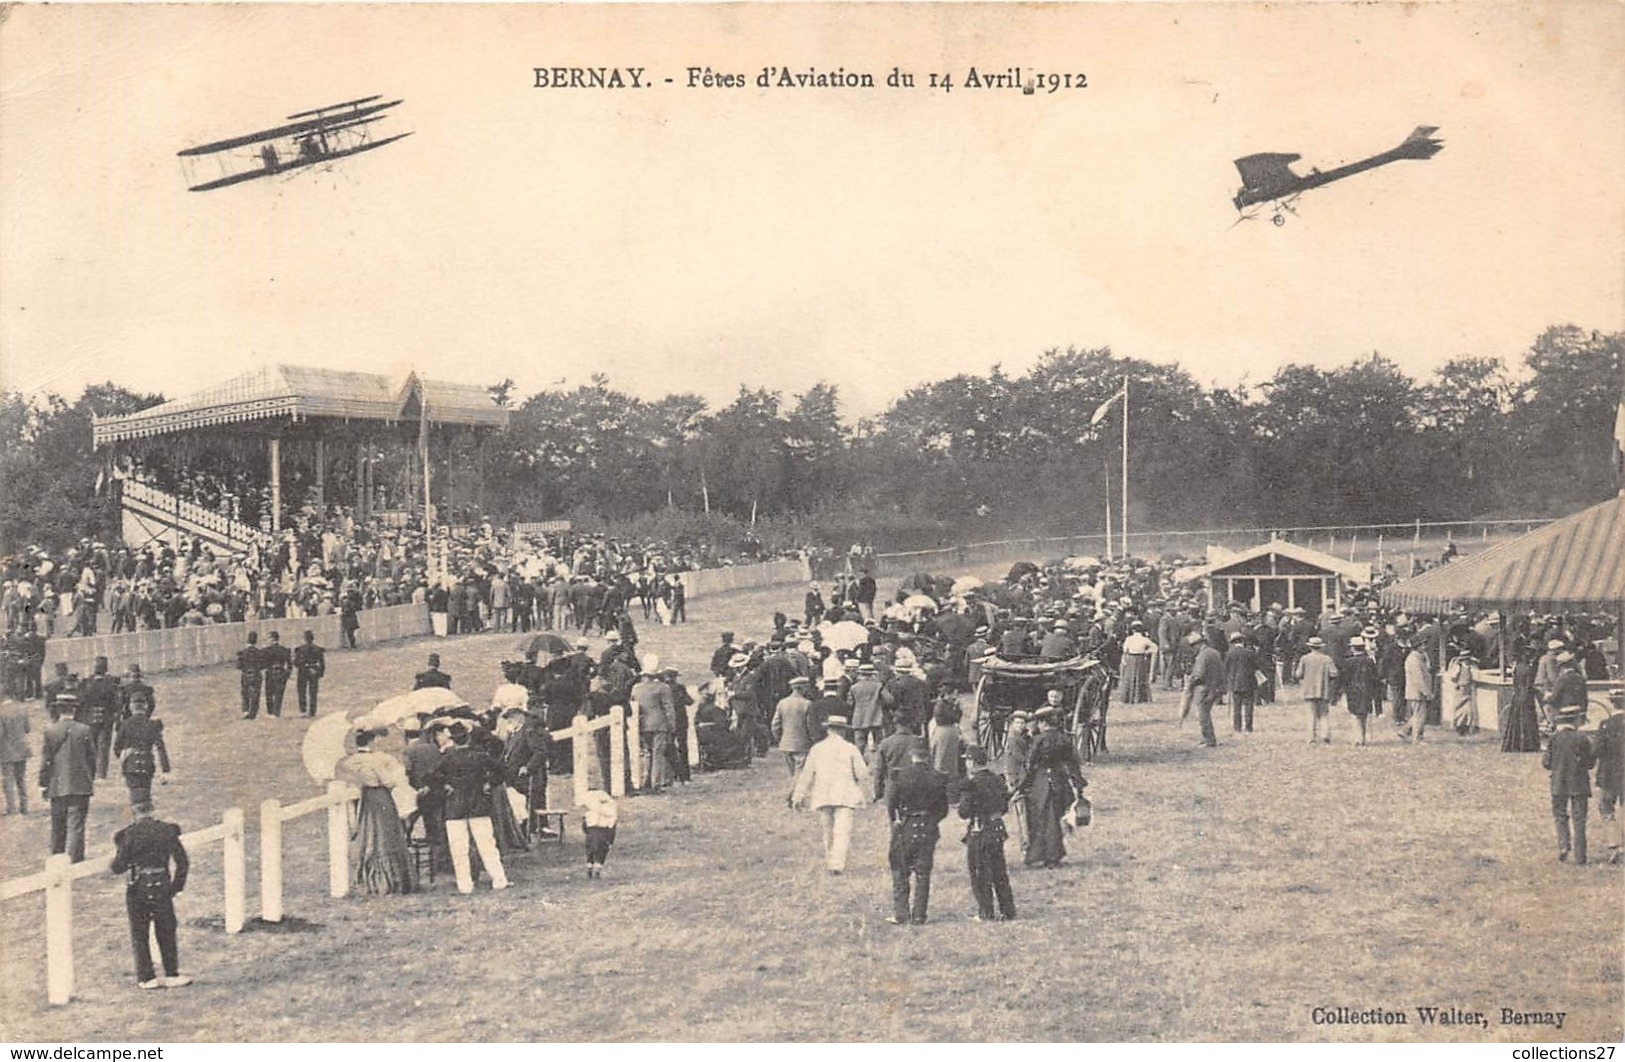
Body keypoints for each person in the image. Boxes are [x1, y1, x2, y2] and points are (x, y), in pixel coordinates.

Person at [110, 800, 192, 989]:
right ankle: (171, 974)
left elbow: (117, 867)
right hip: (162, 883)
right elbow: (182, 862)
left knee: (140, 932)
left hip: (138, 886)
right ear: (153, 810)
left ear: (133, 812)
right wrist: (176, 887)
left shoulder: (127, 834)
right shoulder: (167, 831)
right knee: (166, 929)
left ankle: (146, 977)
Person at [429, 721, 510, 894]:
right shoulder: (480, 756)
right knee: (487, 845)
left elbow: (429, 777)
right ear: (468, 737)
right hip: (478, 805)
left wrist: (444, 788)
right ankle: (499, 879)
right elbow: (503, 769)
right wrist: (490, 783)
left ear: (453, 740)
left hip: (455, 807)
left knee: (459, 849)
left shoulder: (447, 759)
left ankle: (464, 884)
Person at [335, 729, 416, 895]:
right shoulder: (375, 760)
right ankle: (389, 880)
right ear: (371, 742)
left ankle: (368, 878)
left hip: (364, 799)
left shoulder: (348, 762)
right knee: (386, 835)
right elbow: (388, 781)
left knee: (369, 835)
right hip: (380, 798)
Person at [791, 714, 871, 875]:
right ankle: (837, 864)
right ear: (843, 731)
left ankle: (831, 861)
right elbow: (862, 774)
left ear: (828, 730)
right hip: (845, 793)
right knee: (842, 830)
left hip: (823, 794)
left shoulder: (817, 749)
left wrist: (798, 796)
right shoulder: (850, 748)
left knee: (827, 830)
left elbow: (807, 774)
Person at [1015, 706, 1087, 869]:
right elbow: (1073, 764)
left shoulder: (1038, 740)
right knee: (1055, 818)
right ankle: (1054, 854)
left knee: (1041, 820)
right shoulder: (1065, 739)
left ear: (1043, 723)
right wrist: (1078, 785)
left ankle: (1041, 855)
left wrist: (1020, 786)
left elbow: (1029, 765)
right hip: (1060, 782)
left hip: (1041, 784)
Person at [886, 747, 949, 925]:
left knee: (900, 870)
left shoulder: (900, 776)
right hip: (928, 827)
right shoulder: (937, 777)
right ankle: (919, 914)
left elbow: (891, 803)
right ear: (927, 757)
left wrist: (895, 820)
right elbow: (943, 809)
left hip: (906, 825)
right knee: (923, 873)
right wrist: (932, 820)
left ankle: (901, 914)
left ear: (911, 756)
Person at [958, 744, 1016, 922]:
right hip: (997, 828)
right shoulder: (997, 779)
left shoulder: (972, 783)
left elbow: (964, 812)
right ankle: (1008, 910)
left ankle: (986, 912)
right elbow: (1004, 805)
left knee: (980, 872)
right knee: (1000, 872)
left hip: (979, 829)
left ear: (972, 762)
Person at [39, 697, 96, 862]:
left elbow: (46, 760)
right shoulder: (85, 730)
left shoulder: (50, 730)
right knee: (77, 825)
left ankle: (57, 860)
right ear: (74, 710)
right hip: (80, 785)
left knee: (58, 825)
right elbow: (92, 758)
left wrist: (43, 784)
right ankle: (76, 861)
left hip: (57, 784)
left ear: (58, 710)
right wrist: (88, 778)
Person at [1543, 701, 1595, 864]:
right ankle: (1580, 856)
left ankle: (1564, 845)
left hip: (1558, 783)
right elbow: (1590, 763)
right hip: (1579, 784)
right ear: (1576, 721)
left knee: (1560, 815)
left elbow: (1546, 763)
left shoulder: (1554, 739)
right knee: (1579, 820)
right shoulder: (1583, 738)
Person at [113, 697, 170, 807]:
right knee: (146, 793)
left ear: (131, 707)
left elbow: (117, 747)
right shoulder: (153, 724)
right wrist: (165, 770)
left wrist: (123, 757)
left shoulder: (125, 724)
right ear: (146, 707)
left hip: (131, 765)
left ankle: (138, 818)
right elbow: (161, 748)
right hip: (147, 763)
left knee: (134, 795)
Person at [770, 674, 816, 804]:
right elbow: (810, 726)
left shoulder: (782, 703)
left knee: (794, 773)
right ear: (802, 688)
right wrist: (813, 741)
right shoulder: (807, 704)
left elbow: (775, 725)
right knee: (800, 773)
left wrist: (780, 738)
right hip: (802, 744)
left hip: (786, 744)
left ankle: (794, 797)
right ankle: (791, 796)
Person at [633, 666, 675, 792]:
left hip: (642, 723)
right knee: (658, 753)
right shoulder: (663, 688)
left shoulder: (636, 688)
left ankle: (644, 780)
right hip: (659, 723)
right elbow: (669, 708)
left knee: (646, 753)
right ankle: (655, 782)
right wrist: (672, 725)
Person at [1593, 696, 1624, 865]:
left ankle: (1615, 842)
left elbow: (1596, 751)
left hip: (1609, 774)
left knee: (1606, 807)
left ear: (1613, 704)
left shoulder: (1605, 725)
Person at [79, 656, 120, 779]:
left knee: (92, 746)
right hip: (106, 717)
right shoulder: (111, 683)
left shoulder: (87, 682)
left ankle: (91, 772)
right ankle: (102, 773)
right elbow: (116, 702)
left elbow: (82, 700)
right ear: (106, 669)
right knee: (104, 746)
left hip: (90, 717)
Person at [1184, 632, 1224, 748]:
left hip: (1204, 688)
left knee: (1203, 715)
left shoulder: (1203, 655)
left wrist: (1190, 683)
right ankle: (1207, 738)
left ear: (1198, 644)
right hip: (1215, 687)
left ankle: (1209, 740)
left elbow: (1199, 674)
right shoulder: (1214, 652)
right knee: (1205, 713)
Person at [1002, 709, 1032, 856]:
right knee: (1022, 813)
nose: (1020, 725)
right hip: (1017, 778)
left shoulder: (1021, 737)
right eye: (1017, 723)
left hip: (1019, 776)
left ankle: (1026, 843)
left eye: (1022, 723)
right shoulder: (1014, 739)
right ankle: (1025, 845)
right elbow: (1022, 758)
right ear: (1012, 724)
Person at [1296, 636, 1338, 744]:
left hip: (1309, 689)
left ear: (1310, 647)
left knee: (1311, 714)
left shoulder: (1304, 659)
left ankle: (1311, 737)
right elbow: (1334, 673)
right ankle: (1325, 734)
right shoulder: (1327, 659)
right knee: (1324, 713)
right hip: (1323, 689)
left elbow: (1298, 674)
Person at [1341, 636, 1380, 746]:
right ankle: (1362, 737)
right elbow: (1374, 678)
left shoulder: (1348, 662)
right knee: (1364, 715)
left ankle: (1358, 738)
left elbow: (1345, 679)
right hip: (1366, 690)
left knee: (1355, 715)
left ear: (1353, 648)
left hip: (1353, 691)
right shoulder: (1369, 661)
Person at [1224, 632, 1260, 733]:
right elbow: (1257, 666)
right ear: (1242, 641)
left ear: (1232, 642)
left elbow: (1225, 668)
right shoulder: (1250, 653)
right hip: (1249, 682)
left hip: (1235, 683)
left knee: (1237, 707)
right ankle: (1248, 727)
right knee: (1249, 706)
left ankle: (1237, 727)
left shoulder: (1229, 654)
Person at [1, 696, 30, 815]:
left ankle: (11, 809)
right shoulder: (22, 709)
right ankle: (24, 807)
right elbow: (27, 729)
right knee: (21, 779)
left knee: (8, 780)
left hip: (7, 750)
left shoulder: (0, 712)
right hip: (22, 749)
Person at [580, 788, 618, 879]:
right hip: (604, 831)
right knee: (601, 850)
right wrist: (611, 839)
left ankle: (590, 866)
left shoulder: (590, 812)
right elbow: (612, 825)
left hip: (592, 831)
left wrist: (587, 831)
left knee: (591, 850)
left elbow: (584, 825)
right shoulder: (611, 809)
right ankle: (597, 868)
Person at [1402, 639, 1434, 743]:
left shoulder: (1417, 658)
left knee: (1416, 714)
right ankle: (1417, 738)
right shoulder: (1415, 660)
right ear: (1418, 646)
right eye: (1423, 645)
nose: (1425, 647)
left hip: (1414, 692)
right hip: (1417, 692)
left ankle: (1405, 731)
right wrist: (1426, 693)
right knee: (1419, 716)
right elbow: (1418, 679)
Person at [1118, 622, 1156, 704]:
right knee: (1141, 677)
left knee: (1129, 677)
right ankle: (1141, 698)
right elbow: (1155, 648)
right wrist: (1146, 652)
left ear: (1133, 630)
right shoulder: (1145, 639)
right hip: (1141, 658)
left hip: (1131, 658)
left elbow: (1125, 650)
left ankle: (1128, 698)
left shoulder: (1129, 639)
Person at [293, 630, 326, 717]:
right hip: (314, 671)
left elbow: (296, 663)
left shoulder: (300, 649)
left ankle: (303, 710)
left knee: (302, 691)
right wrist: (320, 673)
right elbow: (322, 663)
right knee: (313, 692)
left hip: (303, 671)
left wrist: (303, 666)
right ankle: (312, 711)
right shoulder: (318, 649)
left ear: (304, 639)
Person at [261, 631, 291, 718]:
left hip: (270, 672)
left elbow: (262, 663)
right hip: (281, 672)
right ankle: (276, 712)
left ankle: (270, 711)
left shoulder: (266, 650)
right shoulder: (284, 649)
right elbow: (289, 664)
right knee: (279, 694)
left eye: (268, 638)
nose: (267, 640)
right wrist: (287, 674)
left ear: (272, 639)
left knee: (269, 693)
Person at [236, 632, 264, 720]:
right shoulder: (259, 652)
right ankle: (253, 713)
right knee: (256, 693)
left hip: (246, 674)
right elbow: (263, 665)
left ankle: (245, 710)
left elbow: (238, 666)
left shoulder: (243, 652)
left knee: (245, 693)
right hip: (256, 673)